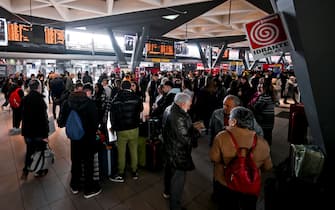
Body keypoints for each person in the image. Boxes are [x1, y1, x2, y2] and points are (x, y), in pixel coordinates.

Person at [210, 106, 272, 210]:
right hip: (250, 187)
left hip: (227, 183)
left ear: (233, 121)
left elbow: (214, 158)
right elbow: (268, 167)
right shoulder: (262, 143)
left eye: (230, 118)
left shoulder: (221, 137)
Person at [57, 82, 101, 199]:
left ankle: (75, 186)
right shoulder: (90, 104)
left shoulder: (67, 103)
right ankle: (88, 189)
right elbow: (95, 122)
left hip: (75, 139)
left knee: (75, 161)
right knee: (88, 163)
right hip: (88, 139)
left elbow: (61, 122)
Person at [162, 92, 203, 210]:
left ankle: (167, 192)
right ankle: (175, 206)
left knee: (169, 173)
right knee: (178, 180)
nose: (190, 107)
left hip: (169, 148)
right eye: (189, 105)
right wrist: (197, 132)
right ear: (182, 104)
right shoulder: (179, 116)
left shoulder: (169, 108)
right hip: (177, 152)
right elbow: (185, 139)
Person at [107, 80, 144, 183]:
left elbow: (112, 115)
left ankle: (121, 173)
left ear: (121, 88)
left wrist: (113, 127)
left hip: (121, 130)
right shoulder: (136, 98)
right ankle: (134, 172)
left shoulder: (116, 99)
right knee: (133, 150)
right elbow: (140, 109)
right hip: (134, 128)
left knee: (121, 152)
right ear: (130, 87)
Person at [21, 79, 49, 180]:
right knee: (40, 151)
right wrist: (45, 135)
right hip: (38, 133)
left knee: (29, 151)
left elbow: (22, 116)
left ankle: (26, 170)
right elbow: (43, 120)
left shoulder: (25, 99)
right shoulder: (40, 101)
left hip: (27, 132)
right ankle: (39, 171)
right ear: (38, 88)